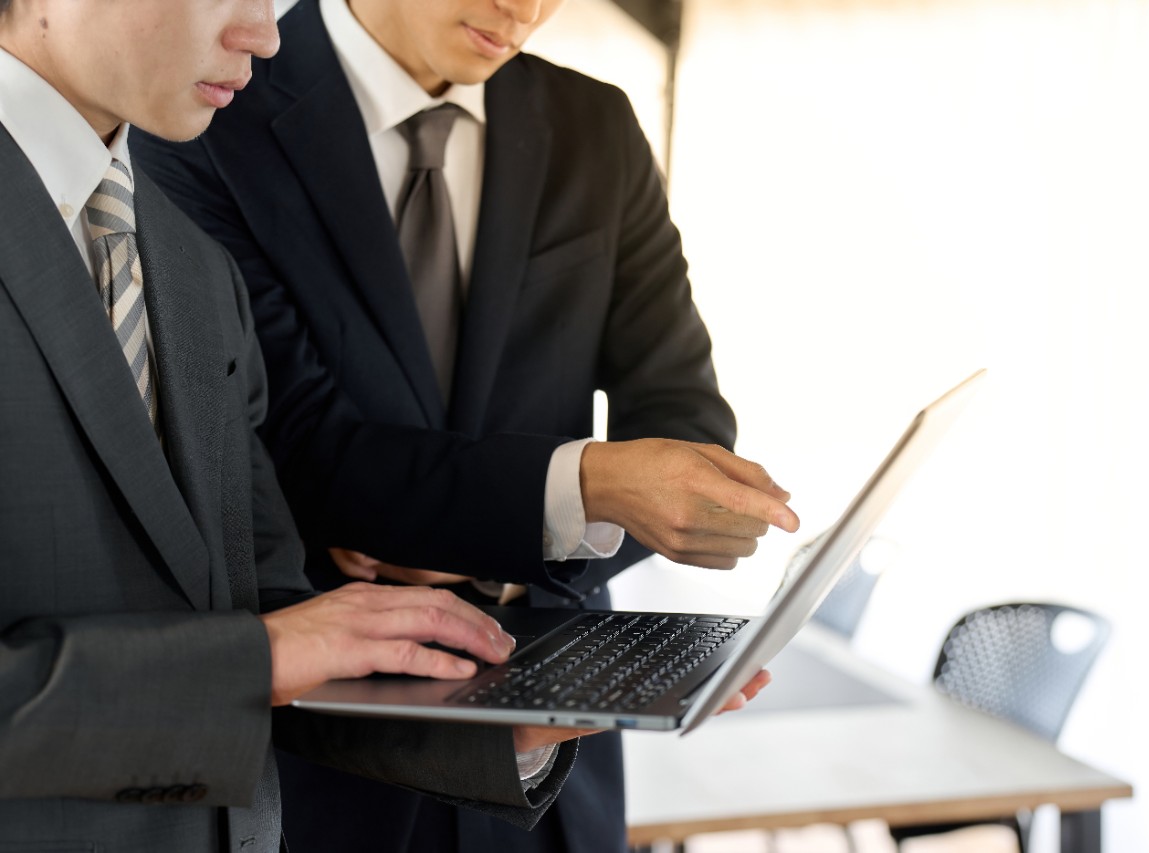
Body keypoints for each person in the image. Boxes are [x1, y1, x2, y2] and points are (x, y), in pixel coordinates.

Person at [132, 0, 802, 850]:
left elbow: (683, 418)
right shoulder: (205, 106)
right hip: (325, 761)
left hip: (555, 755)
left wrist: (572, 526)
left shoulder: (593, 123)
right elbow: (288, 438)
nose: (522, 7)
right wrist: (587, 485)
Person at [0, 1, 614, 849]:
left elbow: (267, 621)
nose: (265, 34)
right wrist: (260, 658)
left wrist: (484, 730)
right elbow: (257, 656)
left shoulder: (193, 267)